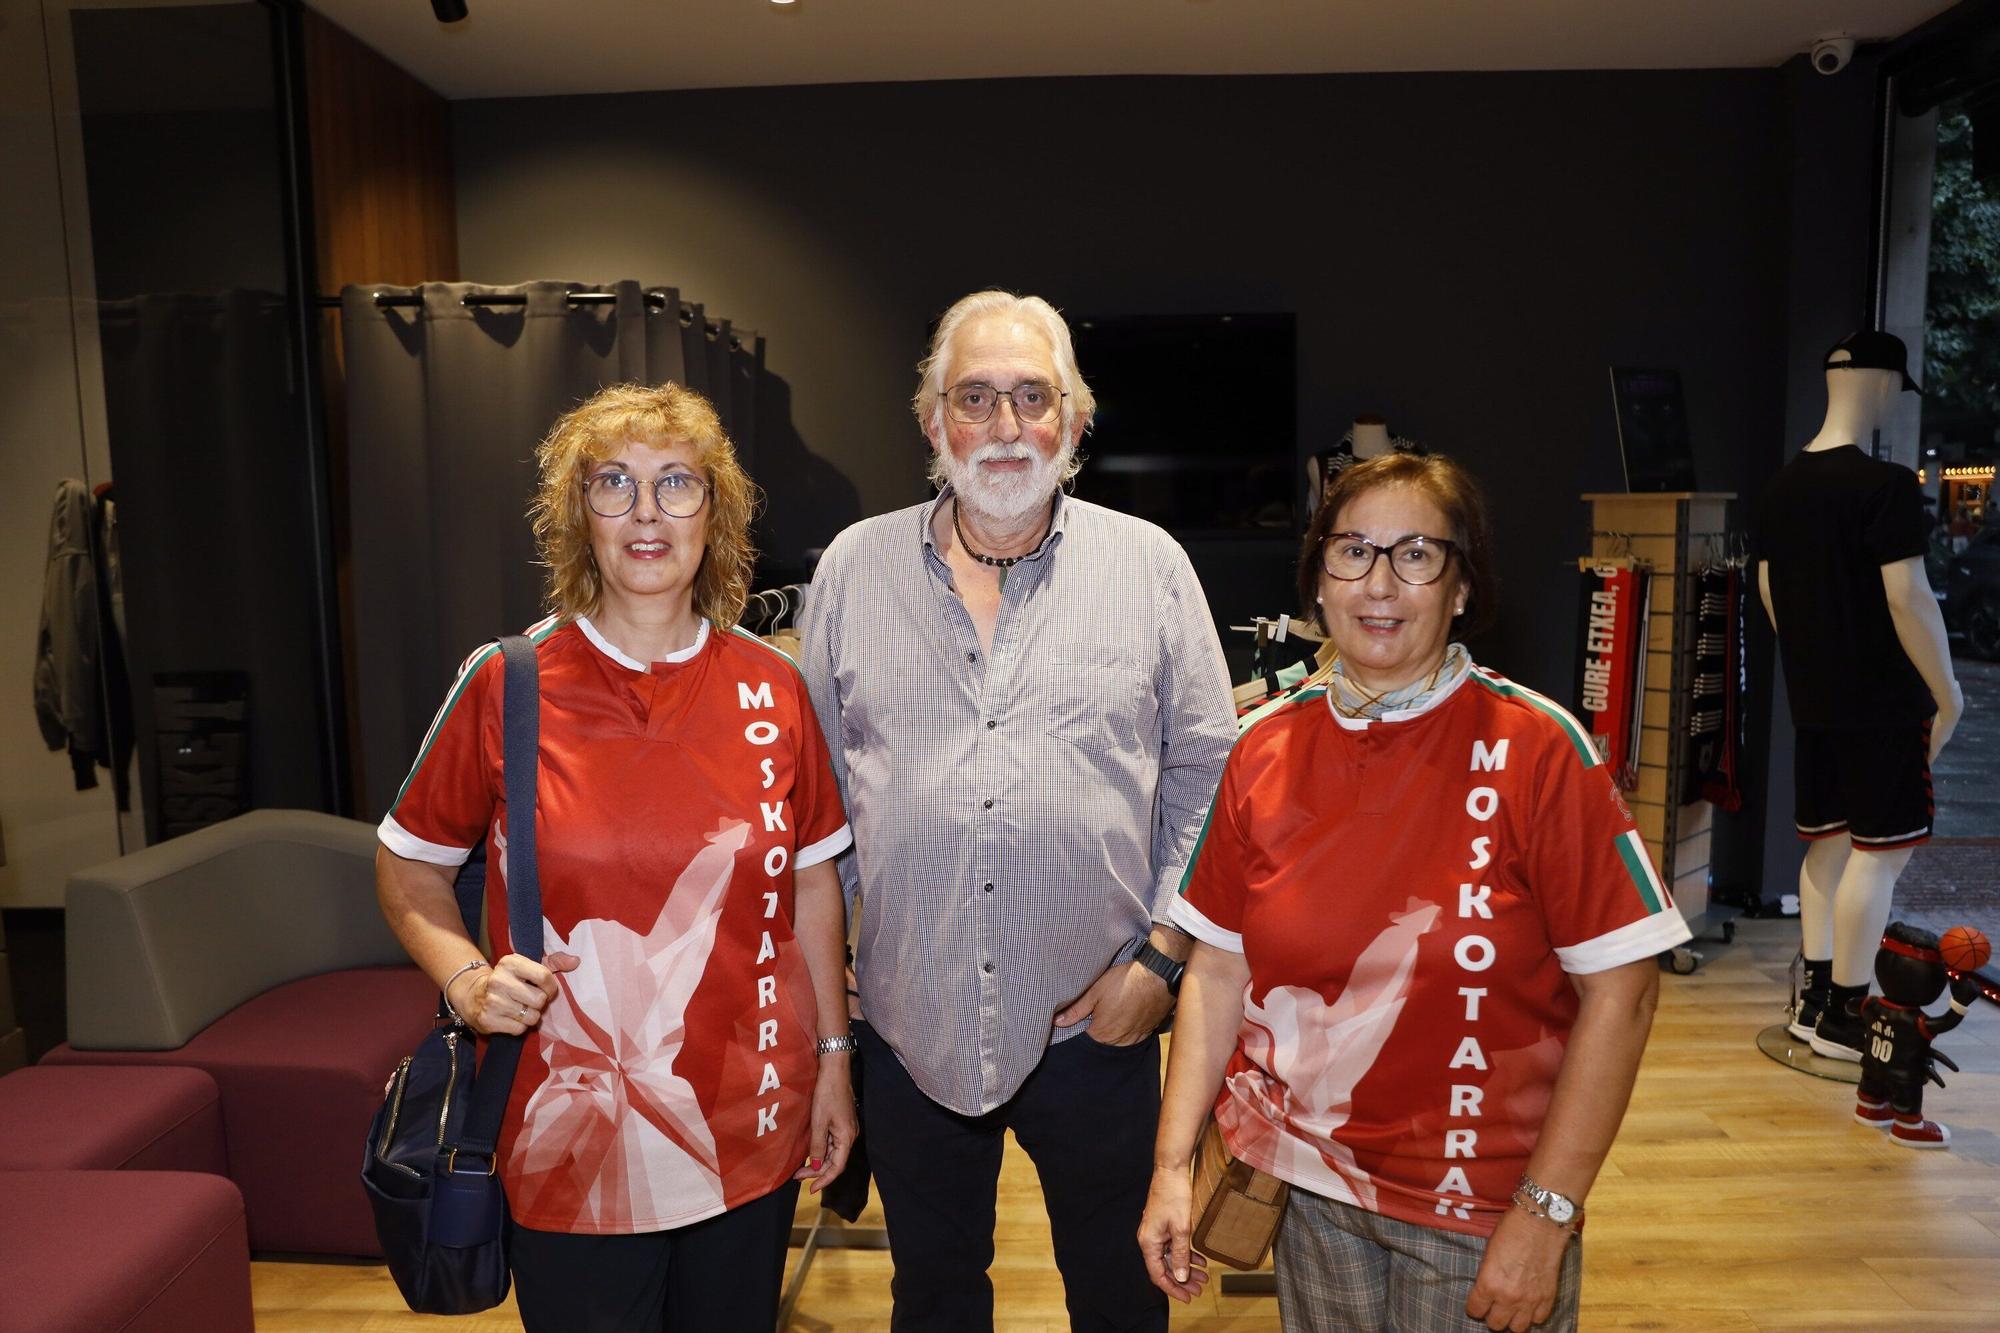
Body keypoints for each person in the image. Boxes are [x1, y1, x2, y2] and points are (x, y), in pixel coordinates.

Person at [1138, 453, 1691, 1333]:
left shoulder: (1539, 750)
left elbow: (1622, 993)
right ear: (1318, 580)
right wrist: (1172, 1168)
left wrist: (1544, 1218)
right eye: (1352, 551)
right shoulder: (1262, 749)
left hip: (1482, 1207)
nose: (1380, 583)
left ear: (1462, 584)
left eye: (1417, 554)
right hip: (1311, 1192)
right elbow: (1215, 969)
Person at [374, 382, 856, 1333]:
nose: (647, 512)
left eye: (677, 483)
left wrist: (835, 1062)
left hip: (748, 1119)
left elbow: (811, 887)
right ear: (576, 516)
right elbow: (407, 868)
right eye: (614, 484)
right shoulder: (507, 681)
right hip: (567, 1135)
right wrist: (466, 980)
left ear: (712, 513)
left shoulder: (775, 686)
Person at [798, 289, 1237, 1331]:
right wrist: (852, 946)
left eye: (1030, 397)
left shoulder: (1151, 568)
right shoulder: (854, 570)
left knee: (1118, 1298)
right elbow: (812, 784)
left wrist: (1161, 960)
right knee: (935, 1299)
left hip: (1099, 1024)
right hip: (908, 1026)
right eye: (975, 398)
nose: (1003, 427)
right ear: (929, 421)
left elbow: (1215, 785)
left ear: (1073, 421)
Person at [1756, 332, 1962, 1062]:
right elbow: (1908, 596)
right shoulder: (1886, 486)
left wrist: (1812, 657)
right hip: (1881, 702)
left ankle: (1815, 1002)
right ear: (1879, 384)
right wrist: (1949, 690)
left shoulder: (1781, 486)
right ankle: (1846, 1011)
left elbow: (1770, 587)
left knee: (1828, 846)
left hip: (1815, 700)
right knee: (1878, 855)